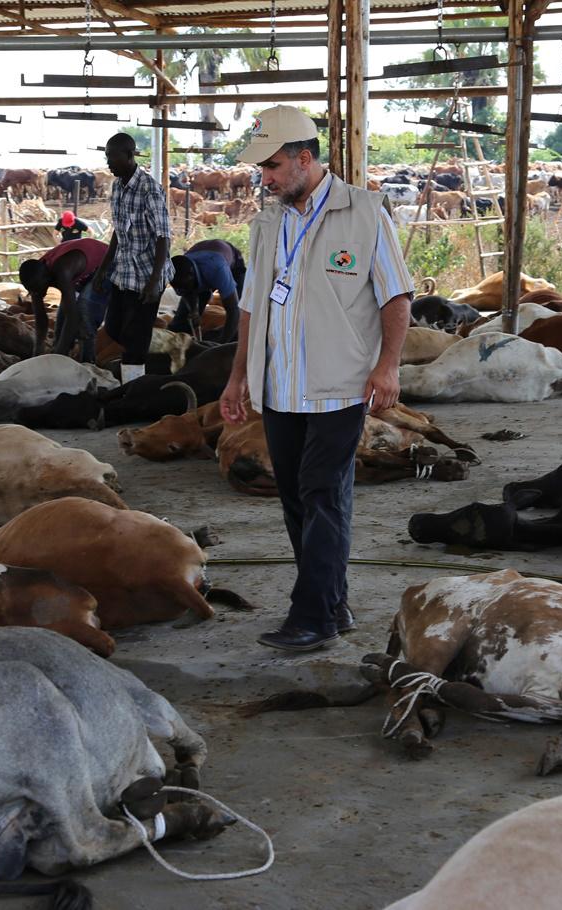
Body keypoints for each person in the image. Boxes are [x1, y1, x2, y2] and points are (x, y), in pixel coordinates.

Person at [219, 106, 413, 653]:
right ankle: (332, 602)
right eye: (262, 169)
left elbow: (396, 296)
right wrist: (238, 377)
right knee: (296, 500)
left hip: (339, 384)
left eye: (273, 167)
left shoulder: (365, 213)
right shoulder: (267, 224)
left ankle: (312, 617)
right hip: (280, 386)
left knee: (322, 493)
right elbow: (252, 307)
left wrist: (388, 365)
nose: (265, 178)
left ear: (305, 159)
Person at [94, 133, 172, 384]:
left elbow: (163, 236)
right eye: (106, 157)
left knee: (135, 339)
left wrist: (154, 281)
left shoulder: (150, 189)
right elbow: (118, 230)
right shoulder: (118, 186)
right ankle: (149, 359)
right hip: (125, 271)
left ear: (129, 155)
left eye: (112, 157)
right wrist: (103, 269)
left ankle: (134, 387)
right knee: (113, 328)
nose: (108, 162)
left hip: (148, 273)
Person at [19, 237, 108, 361]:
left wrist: (58, 356)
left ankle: (88, 363)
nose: (36, 294)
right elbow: (41, 319)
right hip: (83, 268)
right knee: (61, 323)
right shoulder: (34, 277)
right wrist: (37, 351)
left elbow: (72, 317)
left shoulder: (62, 271)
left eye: (37, 289)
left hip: (106, 263)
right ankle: (64, 357)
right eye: (31, 291)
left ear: (48, 279)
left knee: (85, 313)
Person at [169, 238, 247, 343]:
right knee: (182, 321)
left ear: (191, 275)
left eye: (184, 287)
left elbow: (233, 310)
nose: (181, 290)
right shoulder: (178, 273)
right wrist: (194, 311)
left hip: (233, 265)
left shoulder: (217, 269)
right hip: (202, 265)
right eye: (177, 288)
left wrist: (220, 346)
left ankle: (226, 340)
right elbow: (187, 293)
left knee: (239, 317)